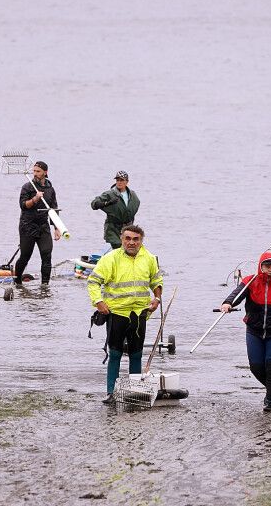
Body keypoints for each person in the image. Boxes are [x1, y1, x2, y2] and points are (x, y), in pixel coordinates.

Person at [87, 225, 162, 404]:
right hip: (116, 313)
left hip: (140, 313)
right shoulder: (110, 258)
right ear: (122, 239)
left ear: (141, 241)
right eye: (127, 239)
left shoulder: (150, 258)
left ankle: (134, 392)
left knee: (136, 354)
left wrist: (157, 299)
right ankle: (111, 393)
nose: (131, 242)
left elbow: (156, 280)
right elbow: (93, 282)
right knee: (115, 353)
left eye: (135, 239)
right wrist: (99, 302)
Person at [221, 252, 271, 412]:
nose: (270, 270)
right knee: (256, 366)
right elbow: (236, 294)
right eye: (267, 266)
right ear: (261, 266)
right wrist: (228, 303)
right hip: (254, 331)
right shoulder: (250, 281)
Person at [14, 161, 60, 284]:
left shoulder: (50, 189)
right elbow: (23, 205)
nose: (35, 174)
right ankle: (17, 282)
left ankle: (45, 286)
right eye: (33, 171)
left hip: (43, 226)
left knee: (47, 255)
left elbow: (53, 209)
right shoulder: (27, 187)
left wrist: (56, 228)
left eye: (38, 171)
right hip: (27, 225)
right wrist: (35, 199)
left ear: (45, 172)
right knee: (25, 256)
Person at [90, 171, 140, 251]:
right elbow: (94, 204)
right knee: (117, 247)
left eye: (122, 180)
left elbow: (135, 207)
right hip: (112, 228)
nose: (119, 182)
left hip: (127, 227)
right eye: (117, 180)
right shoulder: (110, 194)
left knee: (129, 248)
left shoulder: (132, 195)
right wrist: (107, 203)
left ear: (127, 182)